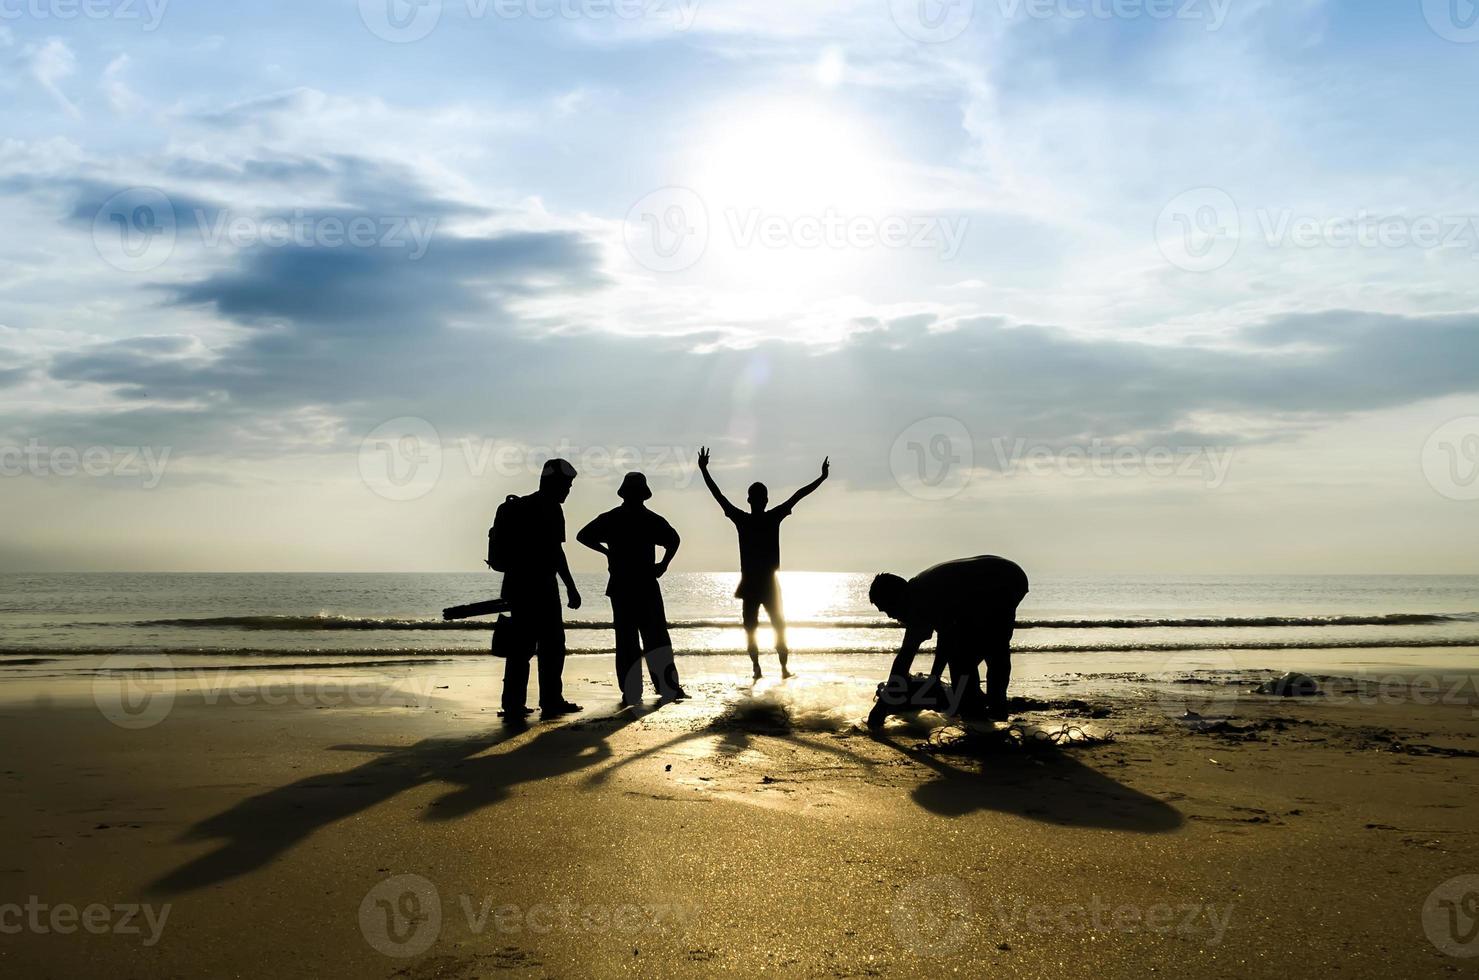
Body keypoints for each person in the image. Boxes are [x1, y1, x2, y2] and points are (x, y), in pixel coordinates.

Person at [697, 447, 829, 680]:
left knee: (754, 629)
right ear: (765, 500)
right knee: (777, 627)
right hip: (766, 583)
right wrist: (821, 477)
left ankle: (761, 668)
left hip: (754, 584)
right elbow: (799, 495)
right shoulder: (771, 516)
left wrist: (704, 471)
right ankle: (780, 669)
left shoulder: (744, 519)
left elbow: (718, 496)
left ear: (750, 500)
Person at [866, 555, 1029, 727]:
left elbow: (906, 657)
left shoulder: (922, 600)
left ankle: (982, 716)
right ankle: (986, 710)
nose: (891, 616)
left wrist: (881, 706)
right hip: (1001, 577)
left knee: (982, 653)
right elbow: (944, 640)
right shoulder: (918, 595)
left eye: (887, 609)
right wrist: (934, 677)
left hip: (1002, 581)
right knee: (975, 654)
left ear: (897, 598)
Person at [576, 473, 687, 707]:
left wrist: (606, 551)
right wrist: (663, 564)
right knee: (655, 637)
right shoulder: (649, 519)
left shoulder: (612, 518)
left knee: (628, 641)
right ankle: (666, 687)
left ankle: (632, 692)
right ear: (643, 494)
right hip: (643, 585)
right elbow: (674, 540)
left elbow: (583, 536)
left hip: (623, 586)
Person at [490, 458, 584, 722]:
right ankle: (551, 700)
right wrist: (571, 587)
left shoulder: (519, 507)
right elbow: (556, 552)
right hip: (541, 587)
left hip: (516, 586)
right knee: (553, 645)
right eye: (567, 484)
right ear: (553, 483)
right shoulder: (550, 509)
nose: (568, 490)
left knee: (520, 648)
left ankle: (513, 705)